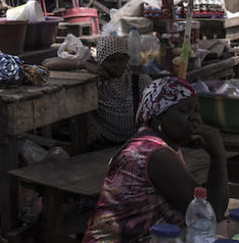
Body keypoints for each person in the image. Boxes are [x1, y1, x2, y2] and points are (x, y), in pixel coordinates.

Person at [83, 77, 228, 243]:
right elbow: (210, 215)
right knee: (218, 228)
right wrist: (218, 157)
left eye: (196, 110)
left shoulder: (157, 144)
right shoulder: (155, 153)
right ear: (158, 118)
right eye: (184, 110)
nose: (195, 118)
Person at [43, 36, 152, 148]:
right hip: (104, 144)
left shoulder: (140, 81)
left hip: (134, 143)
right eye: (111, 60)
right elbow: (47, 63)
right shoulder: (95, 82)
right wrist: (83, 64)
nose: (117, 65)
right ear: (101, 61)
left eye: (121, 59)